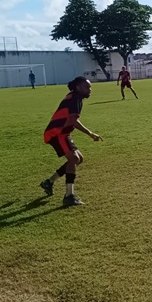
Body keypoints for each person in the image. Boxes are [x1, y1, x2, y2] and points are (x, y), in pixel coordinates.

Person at [39, 77, 103, 206]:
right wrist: (90, 134)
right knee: (73, 158)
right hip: (56, 133)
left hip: (63, 132)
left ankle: (49, 182)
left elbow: (73, 119)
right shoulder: (74, 99)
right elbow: (73, 121)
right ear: (78, 87)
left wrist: (90, 133)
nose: (90, 90)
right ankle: (69, 196)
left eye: (90, 87)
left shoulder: (76, 98)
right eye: (87, 87)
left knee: (78, 159)